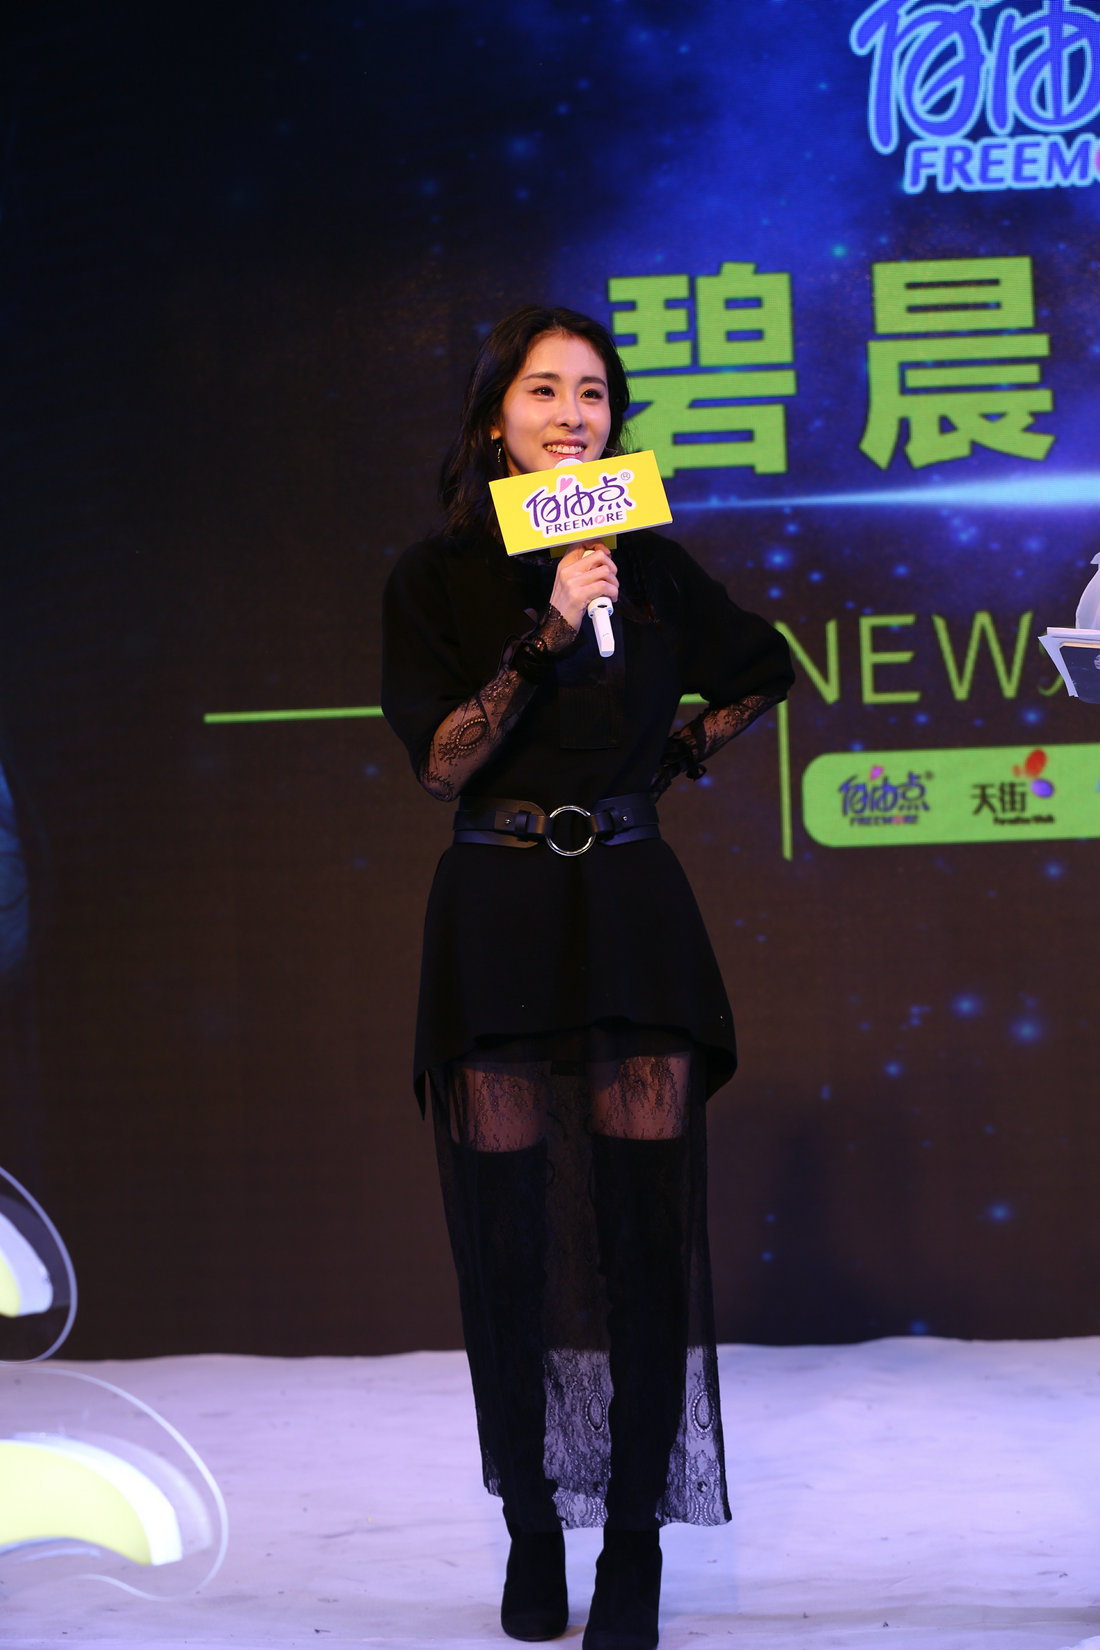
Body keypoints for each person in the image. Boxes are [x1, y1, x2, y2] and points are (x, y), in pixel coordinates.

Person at [382, 306, 793, 1650]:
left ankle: (632, 1540)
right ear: (494, 415)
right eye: (545, 391)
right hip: (496, 909)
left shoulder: (652, 563)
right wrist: (546, 630)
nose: (573, 415)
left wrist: (663, 763)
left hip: (627, 906)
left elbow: (762, 670)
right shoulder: (438, 576)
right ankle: (529, 1527)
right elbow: (442, 761)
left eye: (595, 394)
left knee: (640, 1239)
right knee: (506, 1243)